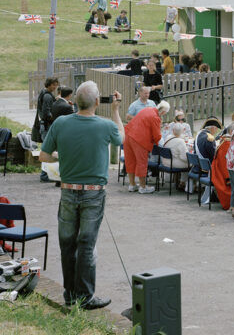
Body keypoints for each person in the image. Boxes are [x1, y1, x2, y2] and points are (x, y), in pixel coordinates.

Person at [39, 81, 124, 310]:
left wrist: (62, 158)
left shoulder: (61, 123)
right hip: (93, 194)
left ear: (75, 102)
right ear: (97, 102)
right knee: (86, 243)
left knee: (67, 243)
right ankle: (85, 296)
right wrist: (115, 110)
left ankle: (70, 294)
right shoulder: (105, 126)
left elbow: (44, 157)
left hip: (68, 190)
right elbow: (121, 139)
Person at [124, 100, 168, 194]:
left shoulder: (147, 109)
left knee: (130, 161)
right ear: (163, 112)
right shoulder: (155, 117)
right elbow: (157, 136)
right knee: (142, 163)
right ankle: (143, 187)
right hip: (139, 139)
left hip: (128, 135)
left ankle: (132, 185)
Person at [161, 122, 189, 191]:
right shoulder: (180, 142)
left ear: (173, 130)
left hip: (165, 161)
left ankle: (181, 182)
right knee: (191, 164)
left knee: (185, 162)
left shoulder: (168, 137)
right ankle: (185, 184)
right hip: (172, 163)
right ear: (182, 131)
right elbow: (184, 157)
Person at [32, 76, 59, 143]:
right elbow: (46, 112)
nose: (55, 87)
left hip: (43, 123)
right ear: (48, 84)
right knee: (48, 144)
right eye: (53, 85)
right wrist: (53, 118)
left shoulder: (43, 92)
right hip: (46, 125)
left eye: (56, 85)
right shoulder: (47, 96)